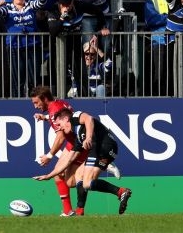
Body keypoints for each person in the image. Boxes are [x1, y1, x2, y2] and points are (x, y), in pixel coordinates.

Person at [29, 86, 120, 216]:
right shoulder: (57, 104)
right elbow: (62, 117)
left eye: (36, 102)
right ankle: (70, 210)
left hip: (77, 145)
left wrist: (49, 155)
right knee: (67, 179)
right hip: (74, 143)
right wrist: (44, 118)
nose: (35, 106)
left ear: (44, 98)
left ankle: (103, 164)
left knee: (68, 179)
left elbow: (60, 137)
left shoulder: (54, 109)